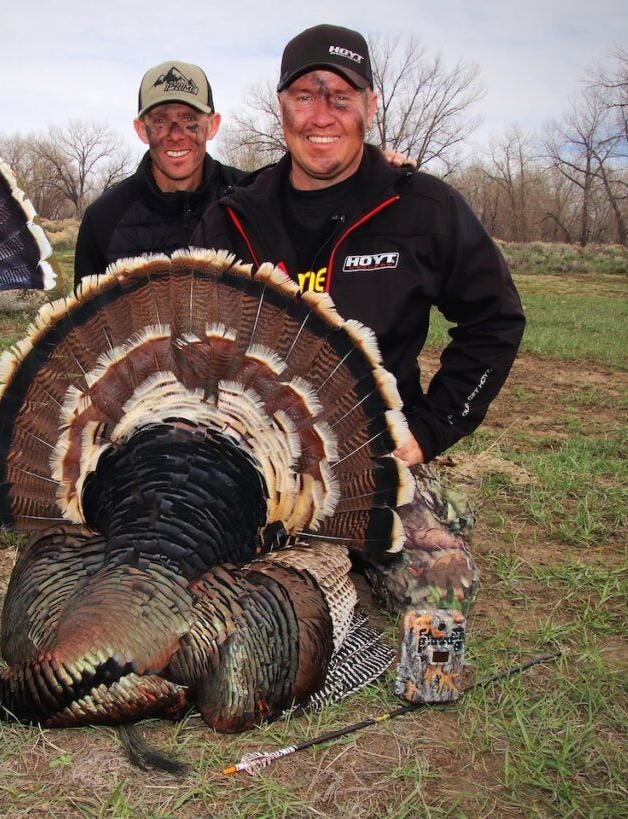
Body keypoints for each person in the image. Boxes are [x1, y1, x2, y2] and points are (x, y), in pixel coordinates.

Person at [192, 24, 526, 702]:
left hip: (374, 458)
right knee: (187, 577)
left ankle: (425, 672)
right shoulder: (234, 216)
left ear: (370, 107)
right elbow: (191, 342)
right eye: (304, 96)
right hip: (258, 458)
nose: (321, 115)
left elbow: (495, 321)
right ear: (281, 107)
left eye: (340, 98)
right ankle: (320, 573)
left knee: (441, 572)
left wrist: (427, 431)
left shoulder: (421, 207)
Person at [73, 60, 246, 286]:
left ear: (212, 125)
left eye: (189, 119)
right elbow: (87, 309)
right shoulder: (104, 219)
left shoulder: (249, 201)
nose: (175, 135)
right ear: (141, 130)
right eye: (160, 121)